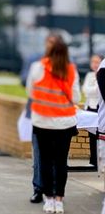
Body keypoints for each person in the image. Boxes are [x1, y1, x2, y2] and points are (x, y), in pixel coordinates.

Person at [27, 37, 80, 214]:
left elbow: (30, 91)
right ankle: (59, 200)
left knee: (46, 161)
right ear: (66, 52)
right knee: (61, 163)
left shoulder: (37, 67)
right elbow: (77, 97)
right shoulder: (71, 70)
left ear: (49, 51)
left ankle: (48, 199)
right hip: (65, 123)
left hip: (43, 123)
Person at [82, 54, 102, 167]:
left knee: (100, 135)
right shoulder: (89, 75)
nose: (95, 64)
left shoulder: (102, 74)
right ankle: (93, 161)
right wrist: (92, 89)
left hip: (99, 108)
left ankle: (101, 160)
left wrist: (91, 89)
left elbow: (97, 91)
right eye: (93, 61)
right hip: (90, 107)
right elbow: (85, 90)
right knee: (91, 136)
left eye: (97, 62)